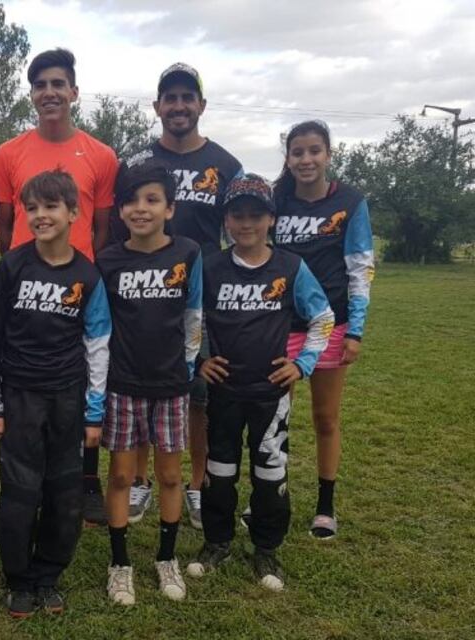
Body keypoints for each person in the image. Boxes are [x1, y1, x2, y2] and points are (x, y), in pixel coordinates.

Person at [185, 175, 334, 591]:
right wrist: (199, 360)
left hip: (271, 394)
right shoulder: (210, 264)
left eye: (255, 214)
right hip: (224, 393)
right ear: (226, 220)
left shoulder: (289, 266)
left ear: (271, 218)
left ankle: (266, 549)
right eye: (237, 215)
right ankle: (216, 543)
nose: (246, 223)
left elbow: (322, 317)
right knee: (219, 472)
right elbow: (192, 319)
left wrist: (303, 364)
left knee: (270, 474)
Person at [0, 48, 118, 526]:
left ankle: (84, 483)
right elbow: (5, 227)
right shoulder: (8, 153)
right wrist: (26, 274)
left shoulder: (102, 155)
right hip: (25, 289)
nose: (49, 92)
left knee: (79, 383)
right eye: (40, 85)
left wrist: (75, 274)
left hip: (78, 290)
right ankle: (29, 484)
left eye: (58, 84)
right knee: (26, 388)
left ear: (74, 92)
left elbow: (102, 230)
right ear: (32, 94)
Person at [113, 63, 243, 529]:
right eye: (170, 98)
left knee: (198, 397)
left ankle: (196, 485)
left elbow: (241, 233)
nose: (179, 105)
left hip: (201, 300)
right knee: (144, 389)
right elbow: (116, 230)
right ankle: (144, 481)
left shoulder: (226, 166)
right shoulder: (138, 164)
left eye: (188, 97)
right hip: (144, 297)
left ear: (201, 106)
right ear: (157, 107)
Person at [0, 170, 111, 618]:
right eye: (31, 207)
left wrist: (94, 413)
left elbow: (97, 344)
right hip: (19, 397)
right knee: (20, 492)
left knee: (64, 493)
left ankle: (48, 574)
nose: (40, 215)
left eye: (51, 206)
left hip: (68, 399)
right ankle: (18, 579)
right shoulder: (13, 266)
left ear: (74, 213)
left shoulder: (87, 274)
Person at [96, 163, 202, 605]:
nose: (141, 209)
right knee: (121, 475)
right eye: (132, 201)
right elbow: (99, 326)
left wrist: (188, 369)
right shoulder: (108, 260)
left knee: (171, 475)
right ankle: (119, 565)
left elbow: (195, 316)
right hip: (122, 384)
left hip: (172, 385)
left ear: (170, 208)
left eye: (152, 200)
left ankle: (165, 558)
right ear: (120, 210)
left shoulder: (188, 253)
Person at [272, 120, 374, 540]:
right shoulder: (275, 199)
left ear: (328, 154)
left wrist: (356, 331)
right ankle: (269, 495)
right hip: (278, 324)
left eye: (314, 150)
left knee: (325, 418)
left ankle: (325, 506)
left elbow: (360, 268)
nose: (306, 159)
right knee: (275, 418)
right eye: (297, 152)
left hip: (330, 324)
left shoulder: (350, 201)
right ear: (288, 158)